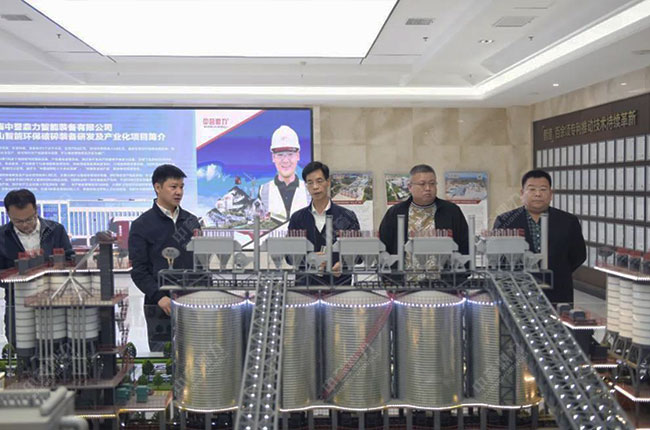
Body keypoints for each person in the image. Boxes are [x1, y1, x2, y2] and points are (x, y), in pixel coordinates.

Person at [128, 164, 200, 351]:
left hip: (192, 303)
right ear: (157, 187)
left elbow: (200, 263)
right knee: (164, 357)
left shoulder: (191, 222)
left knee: (196, 355)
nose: (179, 192)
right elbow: (139, 270)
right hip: (159, 306)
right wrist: (159, 297)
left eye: (181, 187)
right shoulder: (142, 225)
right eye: (173, 187)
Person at [493, 169, 586, 303]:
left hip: (558, 291)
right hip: (517, 292)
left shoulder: (568, 221)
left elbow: (578, 255)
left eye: (543, 189)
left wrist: (558, 271)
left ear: (551, 194)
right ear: (522, 193)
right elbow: (497, 258)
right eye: (532, 189)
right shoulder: (505, 221)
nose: (538, 194)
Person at [379, 164, 469, 271]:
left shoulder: (451, 211)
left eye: (432, 183)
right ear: (410, 187)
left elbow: (465, 245)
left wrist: (461, 275)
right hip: (404, 279)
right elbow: (383, 247)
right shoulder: (395, 213)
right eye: (422, 184)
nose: (428, 188)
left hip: (444, 279)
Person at [288, 161, 360, 282]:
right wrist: (309, 260)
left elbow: (358, 254)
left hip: (339, 286)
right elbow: (289, 257)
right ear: (306, 186)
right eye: (310, 183)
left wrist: (343, 265)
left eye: (319, 181)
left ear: (328, 182)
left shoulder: (347, 217)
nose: (315, 187)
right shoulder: (297, 218)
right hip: (305, 287)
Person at [0, 189, 73, 270]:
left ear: (36, 210)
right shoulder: (1, 236)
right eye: (18, 221)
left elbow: (70, 261)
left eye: (29, 219)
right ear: (8, 214)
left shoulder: (56, 230)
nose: (25, 225)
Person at [259, 125, 310, 224]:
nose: (285, 160)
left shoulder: (309, 190)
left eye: (290, 154)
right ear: (273, 158)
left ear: (298, 156)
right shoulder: (263, 191)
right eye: (280, 155)